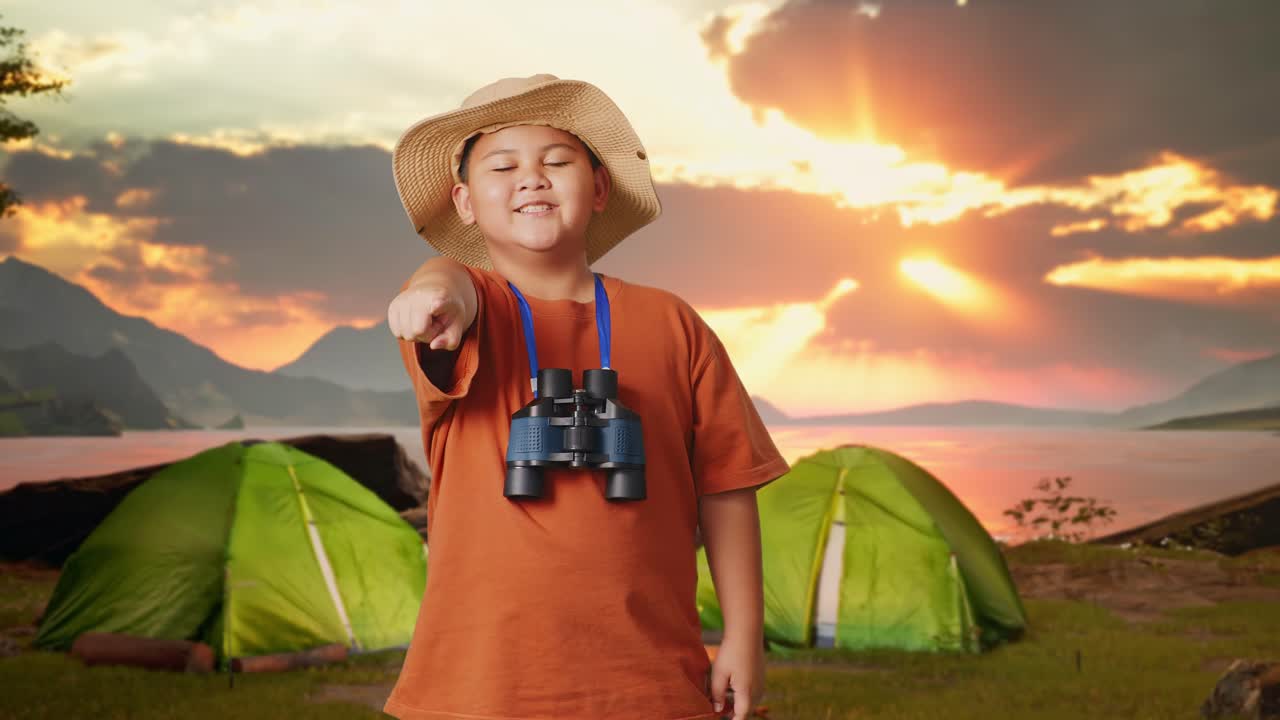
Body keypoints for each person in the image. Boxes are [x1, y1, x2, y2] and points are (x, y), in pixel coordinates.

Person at [382, 74, 789, 720]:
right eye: (503, 164)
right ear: (463, 201)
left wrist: (744, 637)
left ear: (599, 188)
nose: (532, 178)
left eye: (558, 160)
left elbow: (727, 485)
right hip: (480, 685)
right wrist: (431, 301)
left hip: (651, 680)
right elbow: (447, 279)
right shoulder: (466, 309)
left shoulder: (670, 324)